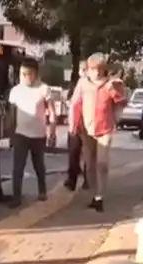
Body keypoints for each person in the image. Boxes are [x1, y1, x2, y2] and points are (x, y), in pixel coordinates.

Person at [68, 53, 126, 212]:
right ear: (88, 69)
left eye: (99, 69)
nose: (96, 72)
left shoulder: (110, 84)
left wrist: (119, 91)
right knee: (89, 164)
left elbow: (120, 103)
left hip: (105, 128)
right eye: (93, 69)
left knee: (102, 163)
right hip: (86, 129)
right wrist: (73, 125)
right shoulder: (82, 83)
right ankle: (95, 194)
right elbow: (75, 104)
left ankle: (100, 196)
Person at [6, 58, 56, 208]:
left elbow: (52, 112)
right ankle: (16, 197)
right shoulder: (15, 91)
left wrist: (52, 132)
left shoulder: (44, 89)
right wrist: (10, 133)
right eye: (22, 74)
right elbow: (11, 114)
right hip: (20, 134)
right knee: (17, 168)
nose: (25, 77)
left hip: (38, 134)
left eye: (29, 74)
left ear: (35, 74)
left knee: (39, 165)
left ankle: (42, 190)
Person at [63, 63, 90, 192]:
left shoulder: (92, 85)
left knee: (88, 154)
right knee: (73, 153)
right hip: (75, 124)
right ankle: (71, 179)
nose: (83, 71)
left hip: (88, 125)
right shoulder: (75, 84)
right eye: (81, 69)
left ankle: (88, 179)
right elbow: (69, 102)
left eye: (86, 69)